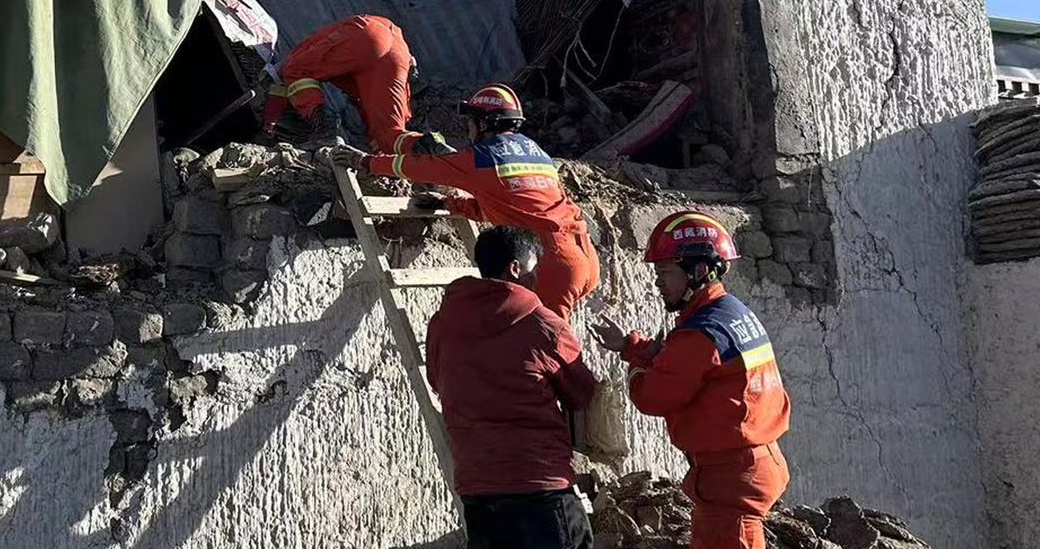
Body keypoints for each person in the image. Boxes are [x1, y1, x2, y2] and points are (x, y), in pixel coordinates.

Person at [590, 211, 791, 549]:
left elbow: (652, 395)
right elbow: (682, 360)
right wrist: (630, 345)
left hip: (730, 478)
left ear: (698, 271)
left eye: (665, 272)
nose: (657, 282)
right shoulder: (728, 313)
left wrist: (636, 366)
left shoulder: (701, 332)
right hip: (746, 466)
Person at [328, 84, 600, 316]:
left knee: (540, 356)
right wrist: (449, 204)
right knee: (542, 347)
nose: (468, 130)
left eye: (470, 123)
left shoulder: (481, 158)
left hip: (550, 263)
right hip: (584, 257)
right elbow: (510, 207)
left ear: (484, 123)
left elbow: (421, 166)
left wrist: (365, 161)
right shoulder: (536, 153)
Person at [427, 224, 598, 549]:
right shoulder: (544, 326)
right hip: (541, 488)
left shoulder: (442, 323)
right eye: (535, 269)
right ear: (515, 269)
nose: (538, 280)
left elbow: (437, 381)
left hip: (478, 488)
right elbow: (582, 392)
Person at [259, 14, 419, 150]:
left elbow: (281, 82)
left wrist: (268, 126)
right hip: (398, 49)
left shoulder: (293, 57)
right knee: (389, 133)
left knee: (294, 70)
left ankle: (326, 130)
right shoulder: (340, 67)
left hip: (366, 32)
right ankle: (433, 152)